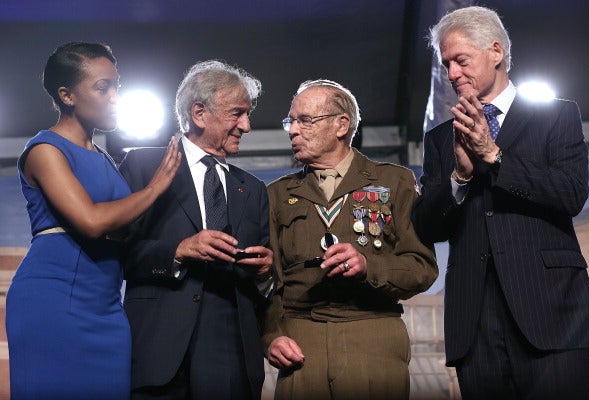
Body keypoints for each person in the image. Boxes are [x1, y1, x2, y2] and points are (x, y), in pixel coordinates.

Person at [412, 6, 589, 400]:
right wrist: (459, 178)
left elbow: (571, 194)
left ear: (495, 51)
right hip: (475, 323)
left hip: (552, 314)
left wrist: (494, 156)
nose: (453, 73)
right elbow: (427, 227)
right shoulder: (441, 139)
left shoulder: (558, 116)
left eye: (461, 60)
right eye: (446, 65)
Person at [5, 42, 181, 400]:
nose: (116, 96)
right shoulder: (45, 151)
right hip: (53, 301)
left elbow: (126, 229)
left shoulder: (104, 158)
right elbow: (90, 221)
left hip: (105, 308)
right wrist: (155, 187)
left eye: (118, 86)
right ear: (67, 95)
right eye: (103, 87)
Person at [262, 79, 438, 400]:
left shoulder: (394, 182)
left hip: (372, 337)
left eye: (305, 120)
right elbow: (266, 280)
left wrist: (368, 265)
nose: (292, 130)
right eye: (291, 121)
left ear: (341, 125)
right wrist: (271, 336)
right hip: (302, 342)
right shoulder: (275, 195)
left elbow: (421, 267)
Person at [119, 60, 273, 399]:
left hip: (231, 359)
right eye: (237, 113)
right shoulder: (143, 166)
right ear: (199, 112)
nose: (246, 125)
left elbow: (265, 281)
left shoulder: (255, 189)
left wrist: (265, 272)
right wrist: (178, 251)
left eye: (247, 114)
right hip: (157, 354)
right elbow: (118, 254)